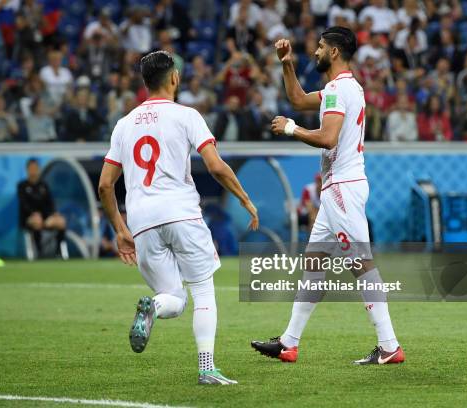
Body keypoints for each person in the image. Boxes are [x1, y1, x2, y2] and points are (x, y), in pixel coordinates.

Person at [98, 51, 258, 385]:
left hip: (142, 222)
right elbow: (215, 166)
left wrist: (120, 228)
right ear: (174, 78)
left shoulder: (124, 125)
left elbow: (104, 185)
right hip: (182, 213)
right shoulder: (187, 115)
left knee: (173, 297)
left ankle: (152, 308)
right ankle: (206, 368)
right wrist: (244, 198)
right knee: (202, 292)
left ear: (144, 82)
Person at [251, 27, 404, 365]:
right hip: (338, 188)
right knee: (314, 264)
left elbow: (328, 137)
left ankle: (390, 346)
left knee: (361, 264)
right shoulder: (347, 88)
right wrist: (286, 64)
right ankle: (289, 343)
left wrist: (291, 128)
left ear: (334, 52)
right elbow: (298, 99)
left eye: (320, 47)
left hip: (342, 189)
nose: (316, 51)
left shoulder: (337, 90)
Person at [17, 158, 67, 258]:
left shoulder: (44, 185)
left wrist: (53, 213)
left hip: (45, 217)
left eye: (35, 168)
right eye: (31, 168)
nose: (34, 171)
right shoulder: (22, 186)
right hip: (29, 218)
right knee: (37, 221)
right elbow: (24, 204)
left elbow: (50, 203)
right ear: (27, 170)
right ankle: (39, 252)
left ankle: (59, 252)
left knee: (61, 222)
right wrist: (34, 213)